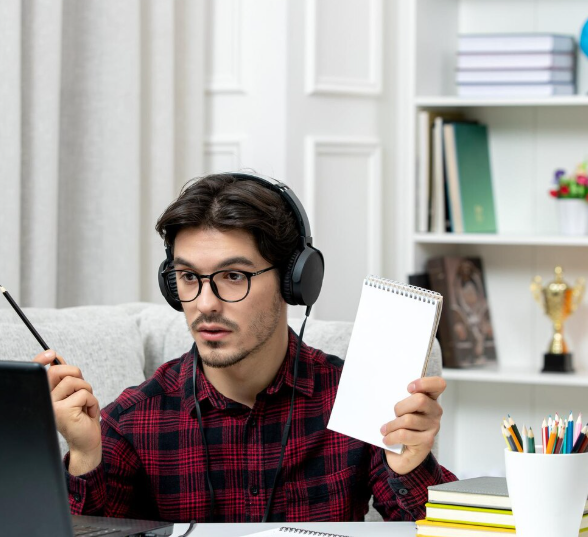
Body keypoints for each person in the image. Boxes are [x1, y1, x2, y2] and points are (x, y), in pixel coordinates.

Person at [33, 173, 456, 523]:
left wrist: (410, 465)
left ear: (294, 282)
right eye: (188, 277)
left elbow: (443, 532)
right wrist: (86, 455)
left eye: (233, 276)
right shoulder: (132, 422)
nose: (205, 303)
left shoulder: (355, 399)